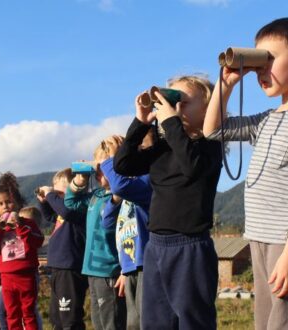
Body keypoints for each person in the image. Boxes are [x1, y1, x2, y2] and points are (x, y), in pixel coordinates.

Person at [203, 17, 288, 330]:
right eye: (258, 62)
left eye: (268, 60)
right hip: (259, 238)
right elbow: (213, 130)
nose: (261, 71)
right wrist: (227, 83)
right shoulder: (266, 120)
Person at [113, 74, 222, 329]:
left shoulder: (209, 146)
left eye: (183, 102)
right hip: (156, 246)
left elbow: (191, 166)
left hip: (190, 247)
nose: (175, 109)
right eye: (173, 102)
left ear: (209, 110)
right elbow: (123, 164)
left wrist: (171, 122)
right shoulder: (164, 148)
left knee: (193, 321)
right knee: (155, 321)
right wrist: (140, 122)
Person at [65, 140, 126, 330]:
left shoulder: (122, 196)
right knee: (98, 321)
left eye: (104, 166)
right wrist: (80, 180)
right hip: (92, 270)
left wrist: (124, 270)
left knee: (111, 322)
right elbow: (71, 203)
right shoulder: (96, 195)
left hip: (110, 270)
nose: (99, 171)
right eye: (97, 167)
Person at [98, 135, 151, 330]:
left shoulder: (143, 181)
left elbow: (121, 184)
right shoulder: (122, 192)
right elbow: (107, 222)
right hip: (129, 266)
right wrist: (115, 199)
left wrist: (114, 158)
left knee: (147, 320)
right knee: (133, 323)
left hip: (146, 262)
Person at [0, 172, 45, 330]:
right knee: (11, 313)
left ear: (17, 203)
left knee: (28, 313)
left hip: (27, 276)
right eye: (0, 204)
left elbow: (38, 241)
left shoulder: (28, 223)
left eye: (9, 202)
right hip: (7, 278)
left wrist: (20, 226)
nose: (5, 206)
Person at [37, 168, 89, 330]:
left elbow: (65, 211)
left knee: (70, 318)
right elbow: (49, 216)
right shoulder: (62, 214)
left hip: (70, 269)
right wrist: (43, 201)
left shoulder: (78, 210)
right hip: (59, 269)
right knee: (57, 318)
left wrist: (50, 195)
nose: (56, 197)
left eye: (60, 193)